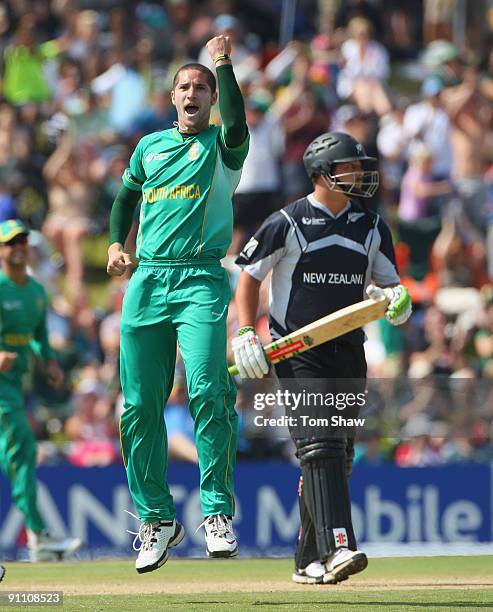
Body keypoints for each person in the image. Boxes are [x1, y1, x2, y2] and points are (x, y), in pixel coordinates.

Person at [233, 132, 411, 584]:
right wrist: (244, 331)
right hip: (298, 352)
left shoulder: (371, 226)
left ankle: (306, 558)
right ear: (323, 174)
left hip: (350, 350)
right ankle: (338, 546)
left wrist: (395, 300)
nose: (359, 174)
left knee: (336, 456)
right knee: (320, 446)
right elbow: (250, 278)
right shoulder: (287, 221)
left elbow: (388, 286)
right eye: (350, 167)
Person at [106, 36, 248, 574]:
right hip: (146, 282)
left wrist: (223, 64)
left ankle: (215, 513)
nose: (192, 94)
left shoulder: (224, 146)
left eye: (201, 88)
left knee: (210, 388)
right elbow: (125, 200)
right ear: (172, 97)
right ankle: (156, 520)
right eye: (184, 87)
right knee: (139, 407)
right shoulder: (148, 147)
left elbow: (236, 122)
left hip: (201, 281)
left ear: (212, 98)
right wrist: (118, 244)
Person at [0, 219, 82, 562]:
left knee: (18, 454)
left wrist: (47, 361)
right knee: (22, 449)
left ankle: (37, 535)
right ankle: (37, 534)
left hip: (15, 386)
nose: (18, 247)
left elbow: (39, 337)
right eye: (11, 242)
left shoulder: (35, 291)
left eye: (22, 241)